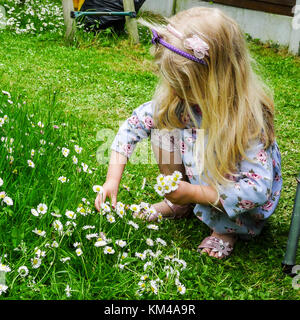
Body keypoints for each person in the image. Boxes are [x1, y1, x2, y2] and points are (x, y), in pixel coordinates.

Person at [95, 7, 282, 259]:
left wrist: (195, 193)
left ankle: (225, 231)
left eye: (185, 87)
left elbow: (255, 192)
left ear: (219, 79)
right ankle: (179, 203)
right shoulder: (181, 100)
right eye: (173, 84)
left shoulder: (246, 122)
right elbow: (134, 125)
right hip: (199, 177)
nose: (176, 93)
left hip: (237, 204)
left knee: (218, 157)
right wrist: (111, 180)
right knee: (163, 124)